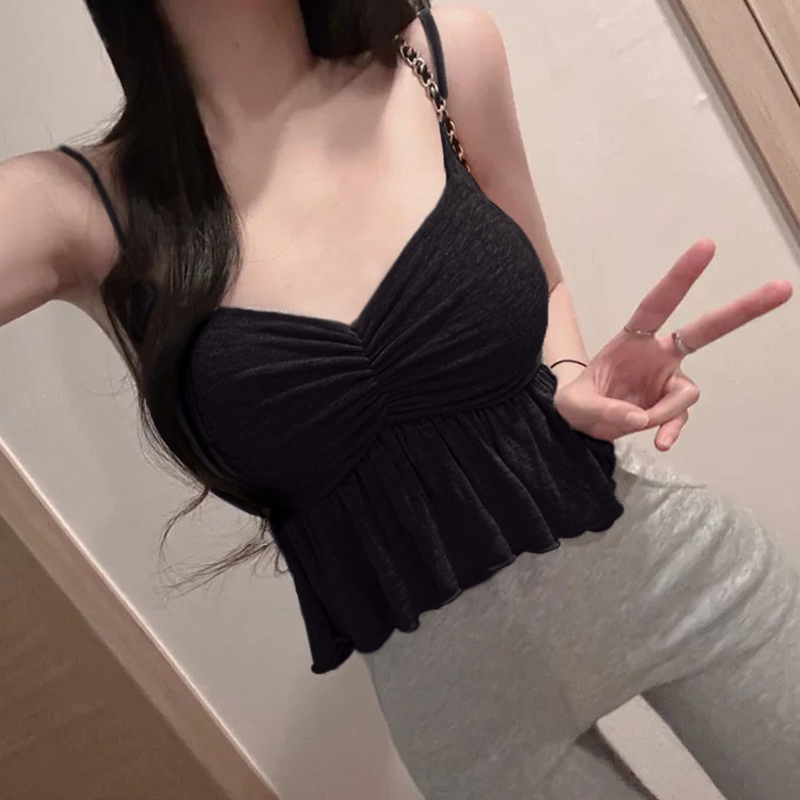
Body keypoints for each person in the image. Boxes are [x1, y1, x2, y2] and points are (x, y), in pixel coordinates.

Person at [1, 1, 797, 797]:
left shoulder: (444, 52)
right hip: (471, 721)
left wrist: (567, 375)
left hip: (678, 577)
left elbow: (546, 278)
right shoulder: (79, 209)